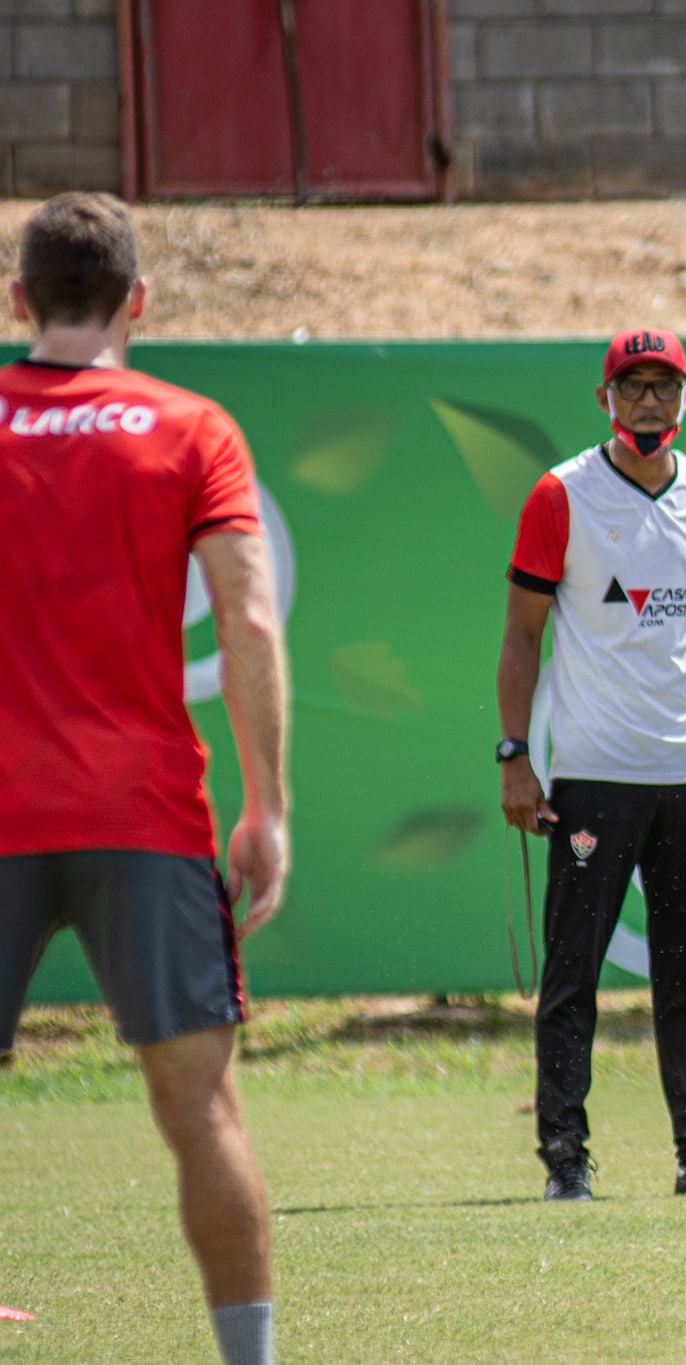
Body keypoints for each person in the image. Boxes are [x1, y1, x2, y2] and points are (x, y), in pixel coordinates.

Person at [0, 193, 290, 1365]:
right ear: (138, 301)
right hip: (144, 816)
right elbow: (250, 618)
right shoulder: (191, 427)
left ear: (20, 301)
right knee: (201, 1112)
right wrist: (268, 807)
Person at [497, 328, 686, 1201]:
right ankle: (564, 1157)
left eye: (665, 385)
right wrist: (516, 755)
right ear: (606, 401)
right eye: (633, 386)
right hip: (592, 774)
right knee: (572, 974)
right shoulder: (561, 495)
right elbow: (521, 633)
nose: (650, 400)